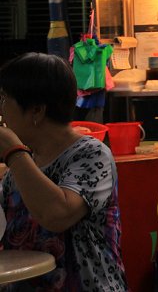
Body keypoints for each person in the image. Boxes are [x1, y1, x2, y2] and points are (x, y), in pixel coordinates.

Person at [0, 52, 128, 291]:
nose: (1, 111)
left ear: (36, 110)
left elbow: (58, 214)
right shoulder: (21, 168)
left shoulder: (91, 154)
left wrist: (13, 151)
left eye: (5, 100)